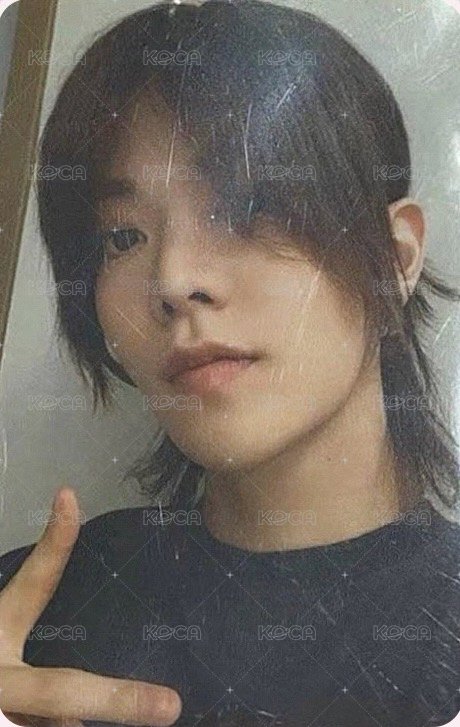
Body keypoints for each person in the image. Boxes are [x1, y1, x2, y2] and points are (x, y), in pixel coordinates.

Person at [0, 1, 459, 725]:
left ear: (396, 258)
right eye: (123, 237)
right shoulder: (31, 613)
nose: (173, 279)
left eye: (247, 205)